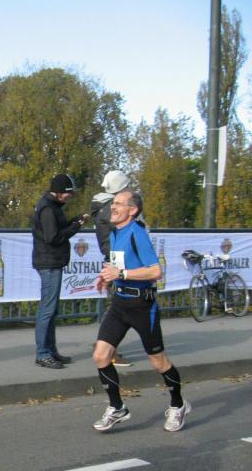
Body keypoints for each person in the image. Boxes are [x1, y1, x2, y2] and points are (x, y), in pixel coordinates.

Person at [92, 190, 190, 432]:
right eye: (113, 203)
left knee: (158, 362)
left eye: (118, 204)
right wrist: (107, 276)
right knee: (101, 356)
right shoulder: (115, 232)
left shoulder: (137, 233)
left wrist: (122, 274)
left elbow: (156, 271)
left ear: (132, 210)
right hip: (119, 304)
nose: (113, 207)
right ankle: (117, 407)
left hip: (142, 306)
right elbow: (118, 264)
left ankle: (178, 405)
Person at [31, 174, 88, 369]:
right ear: (59, 191)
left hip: (51, 262)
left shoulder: (51, 206)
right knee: (47, 309)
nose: (70, 196)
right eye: (68, 193)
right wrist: (76, 227)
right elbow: (53, 237)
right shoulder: (48, 208)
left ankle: (50, 351)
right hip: (49, 263)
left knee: (51, 309)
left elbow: (57, 229)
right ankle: (43, 353)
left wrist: (74, 221)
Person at [90, 169, 133, 368]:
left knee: (116, 304)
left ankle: (105, 345)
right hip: (118, 259)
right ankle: (108, 349)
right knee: (118, 306)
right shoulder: (111, 208)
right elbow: (126, 232)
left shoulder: (104, 206)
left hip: (114, 257)